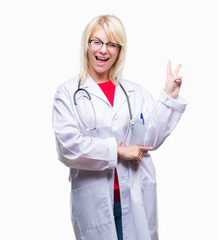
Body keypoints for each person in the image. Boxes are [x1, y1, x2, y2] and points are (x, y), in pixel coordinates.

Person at [52, 14, 187, 240]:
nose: (103, 50)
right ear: (87, 44)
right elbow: (68, 148)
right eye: (97, 41)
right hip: (95, 201)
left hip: (135, 197)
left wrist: (168, 99)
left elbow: (150, 139)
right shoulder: (67, 93)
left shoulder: (135, 92)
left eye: (111, 44)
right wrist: (117, 151)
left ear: (119, 50)